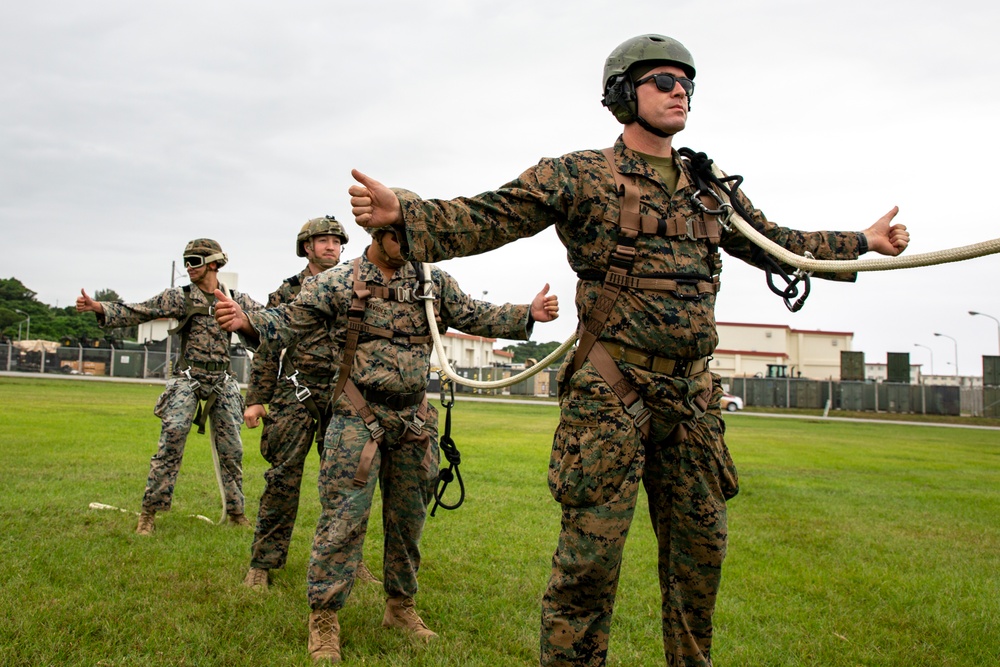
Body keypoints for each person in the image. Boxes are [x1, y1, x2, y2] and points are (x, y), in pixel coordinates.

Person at [346, 34, 910, 667]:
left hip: (693, 401)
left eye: (687, 83)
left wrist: (860, 241)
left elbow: (777, 244)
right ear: (623, 92)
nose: (680, 92)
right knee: (587, 568)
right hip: (610, 397)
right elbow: (491, 215)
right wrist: (405, 216)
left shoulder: (709, 186)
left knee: (701, 562)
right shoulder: (579, 174)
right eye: (664, 80)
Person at [214, 224, 559, 663]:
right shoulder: (338, 282)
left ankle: (400, 607)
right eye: (403, 238)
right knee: (343, 519)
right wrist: (248, 321)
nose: (414, 248)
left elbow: (475, 313)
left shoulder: (431, 283)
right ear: (379, 237)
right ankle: (324, 617)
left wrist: (526, 313)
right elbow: (288, 321)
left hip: (414, 419)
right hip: (358, 416)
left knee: (408, 521)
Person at [76, 239, 262, 535]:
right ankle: (148, 514)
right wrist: (99, 307)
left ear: (213, 264)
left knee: (232, 449)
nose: (189, 267)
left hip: (223, 380)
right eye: (186, 261)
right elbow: (140, 310)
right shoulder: (180, 297)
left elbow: (266, 321)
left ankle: (237, 512)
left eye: (195, 262)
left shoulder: (234, 298)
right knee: (171, 441)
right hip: (187, 377)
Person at [242, 216, 380, 591]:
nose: (330, 246)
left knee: (348, 488)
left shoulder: (359, 288)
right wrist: (256, 400)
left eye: (336, 241)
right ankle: (263, 563)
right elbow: (268, 350)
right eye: (322, 240)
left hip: (345, 398)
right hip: (296, 395)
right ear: (307, 246)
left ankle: (350, 563)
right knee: (282, 481)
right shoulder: (287, 292)